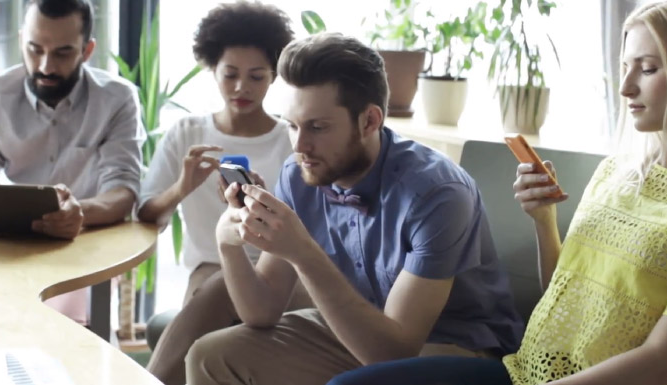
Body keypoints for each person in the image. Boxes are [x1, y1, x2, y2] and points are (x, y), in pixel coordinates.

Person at [326, 1, 667, 385]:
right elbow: (561, 297)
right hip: (524, 372)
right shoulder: (616, 172)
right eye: (625, 67)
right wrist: (544, 220)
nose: (626, 86)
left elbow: (660, 361)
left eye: (647, 68)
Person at [185, 32, 524, 385]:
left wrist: (303, 252)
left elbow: (393, 353)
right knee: (211, 357)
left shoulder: (437, 193)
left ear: (370, 121)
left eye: (317, 127)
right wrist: (229, 244)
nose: (300, 145)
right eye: (292, 125)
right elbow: (262, 311)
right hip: (361, 325)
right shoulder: (300, 174)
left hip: (454, 346)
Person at [137, 3, 312, 384]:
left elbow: (313, 226)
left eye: (256, 76)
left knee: (227, 301)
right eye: (230, 74)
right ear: (212, 70)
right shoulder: (187, 133)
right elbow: (148, 215)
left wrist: (263, 208)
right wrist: (182, 188)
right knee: (219, 284)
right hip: (210, 271)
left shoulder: (291, 139)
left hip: (284, 278)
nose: (241, 88)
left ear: (273, 78)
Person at [0, 0, 143, 324]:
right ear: (21, 41)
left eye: (62, 53)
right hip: (13, 244)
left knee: (77, 340)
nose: (45, 66)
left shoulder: (117, 99)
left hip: (89, 240)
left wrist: (81, 213)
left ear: (87, 51)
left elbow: (123, 188)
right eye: (34, 49)